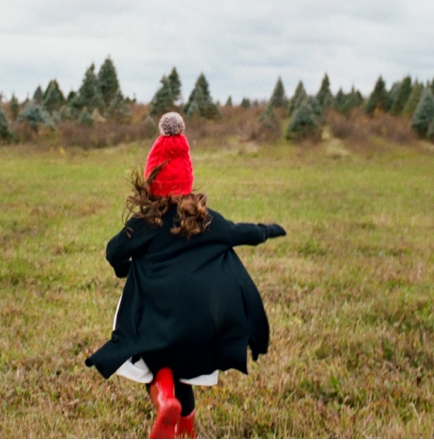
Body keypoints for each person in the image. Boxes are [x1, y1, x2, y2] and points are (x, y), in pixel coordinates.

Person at [85, 112, 287, 439]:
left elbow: (113, 251)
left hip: (153, 314)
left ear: (153, 180)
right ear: (187, 181)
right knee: (182, 371)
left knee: (150, 355)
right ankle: (186, 430)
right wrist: (269, 230)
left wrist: (125, 268)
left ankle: (165, 401)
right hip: (198, 319)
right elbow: (242, 232)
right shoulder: (205, 219)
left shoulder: (144, 222)